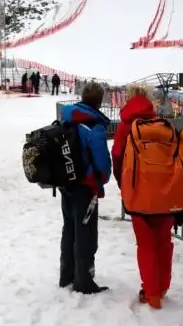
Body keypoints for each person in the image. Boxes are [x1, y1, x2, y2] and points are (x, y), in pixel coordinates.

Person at [111, 86, 183, 309]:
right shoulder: (162, 125)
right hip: (167, 194)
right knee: (164, 241)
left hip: (138, 194)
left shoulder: (127, 126)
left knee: (145, 244)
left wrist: (124, 186)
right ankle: (163, 286)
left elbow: (117, 157)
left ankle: (152, 293)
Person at [59, 82, 111, 294]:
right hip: (86, 186)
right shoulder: (94, 126)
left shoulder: (68, 119)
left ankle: (67, 275)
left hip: (66, 183)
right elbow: (102, 163)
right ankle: (84, 281)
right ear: (99, 102)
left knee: (69, 228)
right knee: (86, 233)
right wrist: (102, 179)